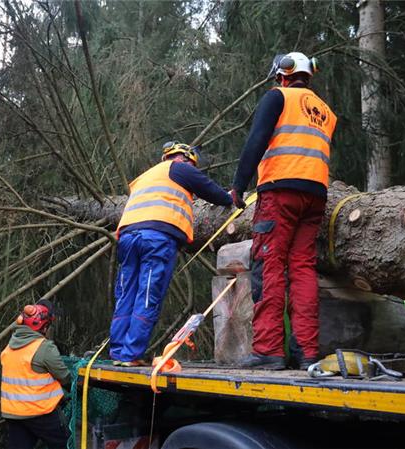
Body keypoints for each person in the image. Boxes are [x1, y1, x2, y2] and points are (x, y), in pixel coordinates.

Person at [229, 52, 337, 370]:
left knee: (269, 265)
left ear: (283, 74)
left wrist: (238, 186)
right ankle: (306, 352)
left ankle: (269, 350)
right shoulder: (325, 111)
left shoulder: (278, 97)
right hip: (315, 195)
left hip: (280, 191)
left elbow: (256, 141)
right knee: (303, 269)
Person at [110, 142, 233, 366]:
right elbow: (213, 192)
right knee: (148, 294)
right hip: (156, 238)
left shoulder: (146, 176)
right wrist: (230, 198)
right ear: (185, 158)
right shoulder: (180, 167)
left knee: (126, 294)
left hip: (128, 237)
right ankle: (131, 354)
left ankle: (118, 352)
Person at [0, 300, 71, 449]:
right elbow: (64, 377)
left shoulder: (9, 347)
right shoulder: (44, 347)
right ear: (44, 327)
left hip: (13, 413)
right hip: (40, 412)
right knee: (64, 444)